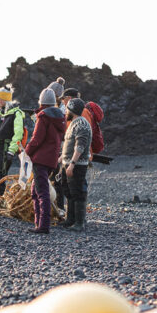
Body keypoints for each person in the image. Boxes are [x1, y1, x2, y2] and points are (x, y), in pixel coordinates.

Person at [23, 87, 67, 234]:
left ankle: (43, 226)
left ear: (42, 102)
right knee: (36, 191)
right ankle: (39, 223)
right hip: (51, 159)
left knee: (41, 192)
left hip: (40, 159)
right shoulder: (60, 117)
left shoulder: (43, 117)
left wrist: (26, 152)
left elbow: (37, 139)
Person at [58, 97, 92, 231]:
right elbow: (70, 144)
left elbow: (80, 146)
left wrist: (72, 163)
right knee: (69, 191)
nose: (66, 111)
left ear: (72, 110)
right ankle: (70, 219)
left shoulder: (81, 125)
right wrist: (62, 158)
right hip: (67, 162)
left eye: (67, 109)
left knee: (78, 192)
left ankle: (79, 223)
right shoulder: (74, 123)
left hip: (77, 165)